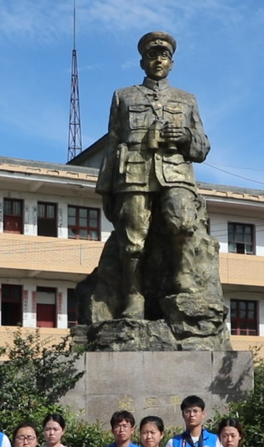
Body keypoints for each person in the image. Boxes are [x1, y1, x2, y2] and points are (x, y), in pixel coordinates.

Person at [90, 30, 212, 319]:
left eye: (164, 56)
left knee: (183, 222)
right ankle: (134, 295)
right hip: (134, 173)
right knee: (132, 239)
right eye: (152, 55)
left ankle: (183, 276)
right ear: (142, 62)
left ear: (171, 63)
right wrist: (106, 188)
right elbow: (113, 142)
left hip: (175, 173)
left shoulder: (187, 99)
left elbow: (202, 147)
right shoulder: (123, 96)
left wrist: (184, 136)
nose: (158, 60)